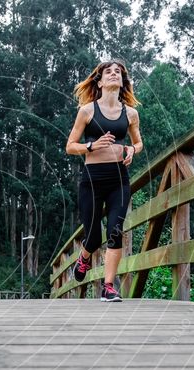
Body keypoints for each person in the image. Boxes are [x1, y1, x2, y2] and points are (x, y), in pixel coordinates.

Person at [65, 60, 143, 302]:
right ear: (99, 82)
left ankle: (108, 287)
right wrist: (91, 145)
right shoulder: (87, 111)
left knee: (115, 232)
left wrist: (132, 150)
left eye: (117, 72)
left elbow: (138, 142)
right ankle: (84, 257)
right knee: (93, 236)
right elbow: (70, 146)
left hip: (119, 180)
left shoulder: (130, 113)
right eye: (108, 72)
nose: (113, 74)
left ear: (122, 81)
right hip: (92, 180)